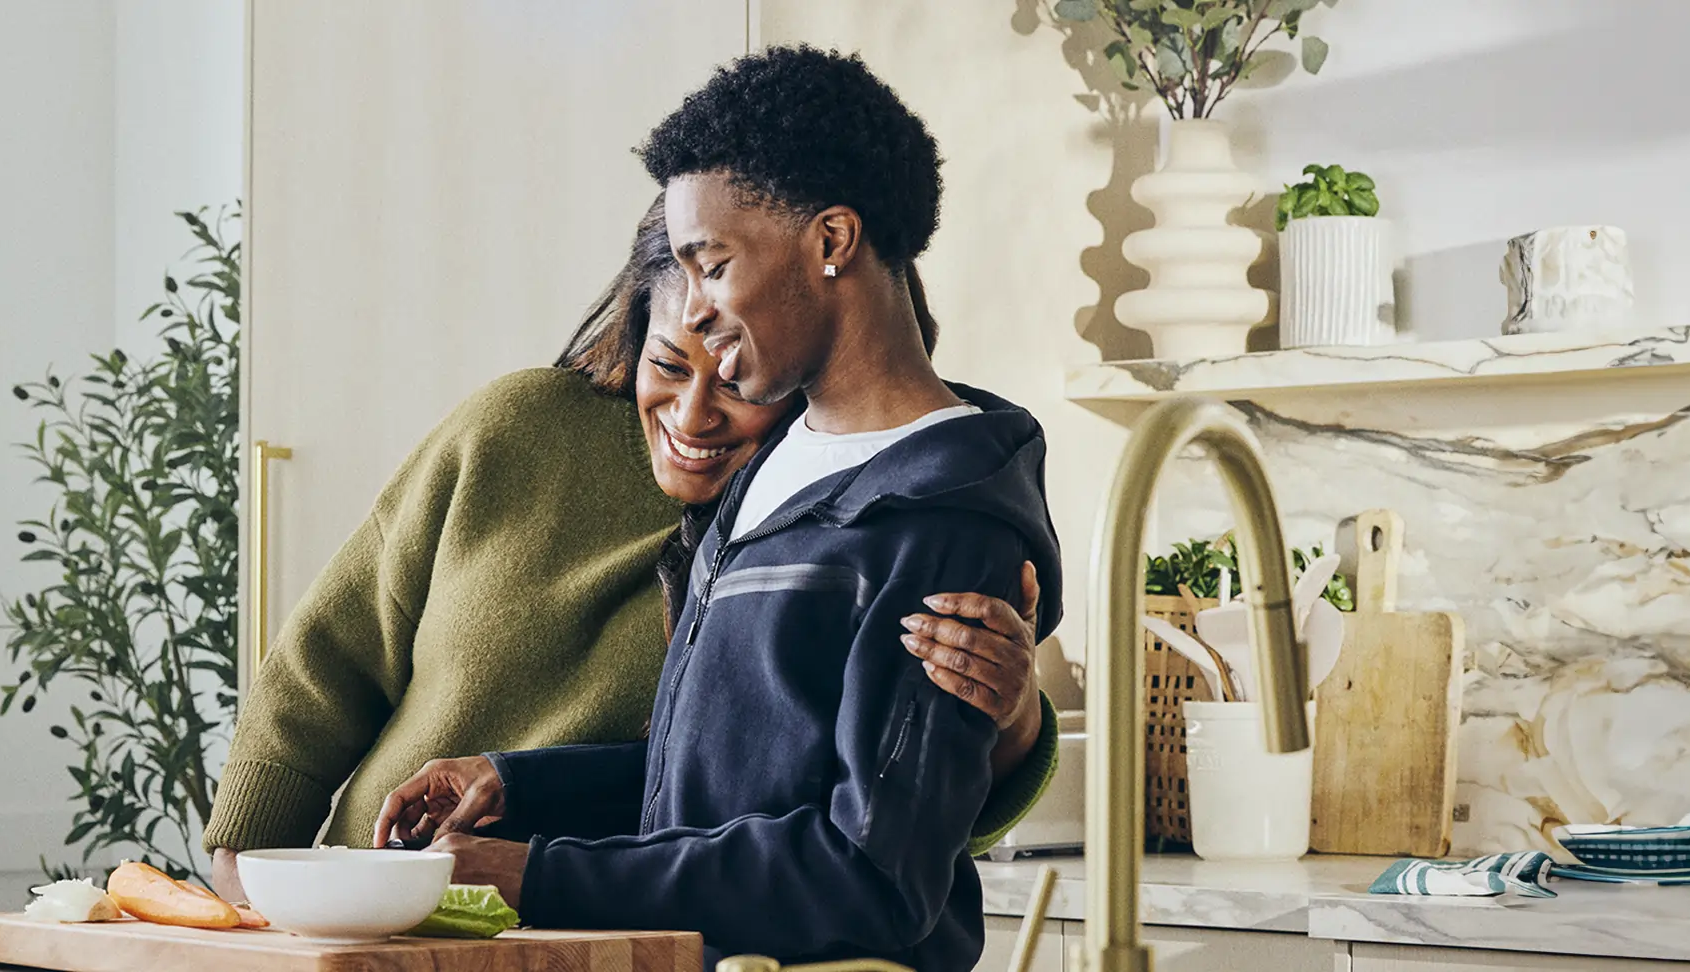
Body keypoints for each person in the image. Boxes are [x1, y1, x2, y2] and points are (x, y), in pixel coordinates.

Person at [376, 46, 1063, 972]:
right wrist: (515, 784)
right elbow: (715, 794)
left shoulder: (941, 518)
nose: (690, 313)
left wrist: (534, 876)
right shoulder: (778, 470)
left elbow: (872, 877)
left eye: (712, 265)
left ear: (831, 242)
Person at [201, 208, 1059, 899]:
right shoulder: (515, 429)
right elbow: (329, 654)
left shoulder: (853, 528)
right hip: (365, 907)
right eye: (666, 364)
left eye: (730, 377)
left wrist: (1013, 718)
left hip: (572, 939)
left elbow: (884, 833)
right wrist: (250, 859)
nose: (691, 416)